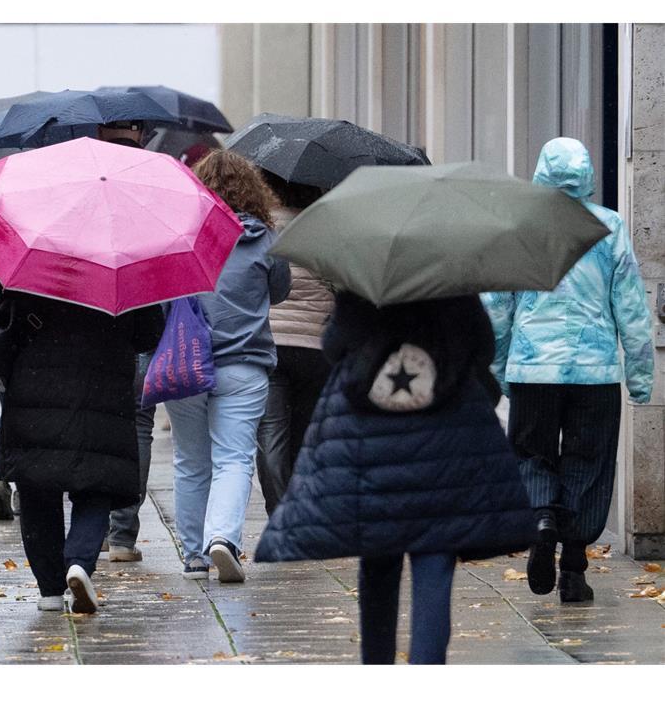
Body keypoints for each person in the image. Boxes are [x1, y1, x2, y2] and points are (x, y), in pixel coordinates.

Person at [255, 292, 533, 664]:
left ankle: (377, 663)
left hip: (371, 445)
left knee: (377, 562)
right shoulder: (453, 287)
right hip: (444, 445)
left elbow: (334, 345)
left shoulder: (364, 287)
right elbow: (482, 347)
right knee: (435, 561)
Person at [482, 137, 655, 603]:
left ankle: (541, 519)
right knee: (589, 464)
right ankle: (574, 571)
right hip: (594, 373)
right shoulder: (608, 228)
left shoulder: (519, 226)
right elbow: (632, 309)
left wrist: (500, 368)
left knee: (531, 455)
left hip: (533, 368)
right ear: (588, 176)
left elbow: (496, 306)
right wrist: (640, 376)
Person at [0, 274, 164, 613]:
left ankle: (49, 589)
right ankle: (79, 562)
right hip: (103, 388)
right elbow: (148, 334)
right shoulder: (120, 263)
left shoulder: (29, 255)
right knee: (97, 482)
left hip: (33, 384)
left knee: (36, 484)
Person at [165, 150, 290, 583]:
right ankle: (224, 540)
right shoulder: (267, 240)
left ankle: (194, 555)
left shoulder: (182, 234)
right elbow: (280, 293)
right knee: (234, 459)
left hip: (185, 363)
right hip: (244, 363)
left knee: (190, 461)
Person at [97, 121, 161, 562]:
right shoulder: (156, 185)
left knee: (96, 424)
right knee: (138, 424)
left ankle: (94, 526)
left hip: (96, 325)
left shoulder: (87, 186)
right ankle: (123, 535)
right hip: (143, 317)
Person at [255, 178, 334, 515]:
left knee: (271, 434)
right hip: (314, 346)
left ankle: (279, 511)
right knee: (305, 432)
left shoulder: (262, 227)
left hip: (270, 344)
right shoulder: (325, 227)